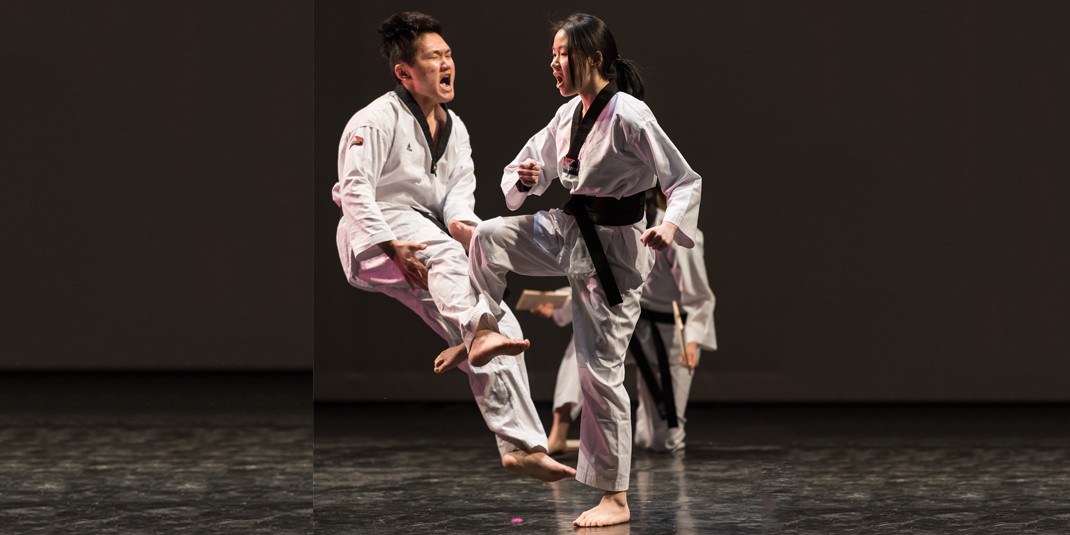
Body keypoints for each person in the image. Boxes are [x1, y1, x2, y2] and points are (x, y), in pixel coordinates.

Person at [460, 14, 703, 527]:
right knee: (488, 235)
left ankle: (615, 497)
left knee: (599, 374)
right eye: (552, 55)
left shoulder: (631, 116)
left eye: (563, 54)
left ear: (594, 60)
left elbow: (684, 182)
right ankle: (483, 328)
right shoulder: (569, 114)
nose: (554, 63)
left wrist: (668, 226)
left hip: (614, 253)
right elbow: (526, 172)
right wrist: (526, 180)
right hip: (569, 228)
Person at [330, 11, 574, 483]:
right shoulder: (375, 120)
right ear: (405, 72)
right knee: (442, 256)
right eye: (433, 57)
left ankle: (520, 445)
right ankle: (473, 331)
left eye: (448, 54)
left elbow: (458, 203)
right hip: (373, 236)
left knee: (501, 317)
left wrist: (475, 237)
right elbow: (355, 188)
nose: (446, 64)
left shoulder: (455, 129)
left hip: (423, 244)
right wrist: (390, 244)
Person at [530, 189, 718, 456]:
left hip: (663, 331)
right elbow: (599, 281)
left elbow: (699, 296)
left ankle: (640, 432)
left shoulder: (674, 233)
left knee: (661, 441)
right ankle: (558, 431)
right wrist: (557, 304)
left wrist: (693, 339)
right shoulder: (610, 224)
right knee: (583, 343)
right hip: (624, 315)